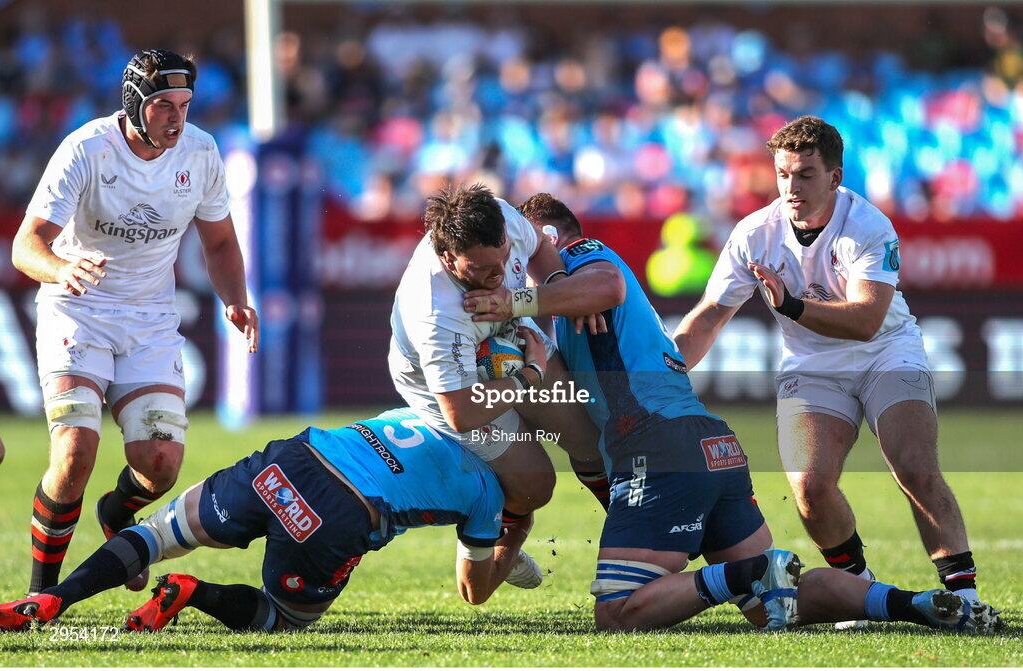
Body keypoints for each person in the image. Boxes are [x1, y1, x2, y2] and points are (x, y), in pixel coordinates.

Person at [462, 193, 1000, 634]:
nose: (513, 268)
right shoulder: (563, 303)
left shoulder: (580, 254)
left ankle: (748, 571)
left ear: (547, 240)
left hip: (659, 444)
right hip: (707, 444)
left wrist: (518, 308)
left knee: (617, 613)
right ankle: (915, 604)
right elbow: (575, 416)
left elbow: (605, 285)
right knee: (767, 605)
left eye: (519, 251)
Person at [670, 116, 993, 614]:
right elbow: (710, 317)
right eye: (782, 174)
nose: (791, 188)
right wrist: (662, 374)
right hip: (812, 360)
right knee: (809, 487)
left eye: (805, 175)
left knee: (914, 466)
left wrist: (792, 304)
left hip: (886, 349)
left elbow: (865, 321)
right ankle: (858, 589)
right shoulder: (754, 232)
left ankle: (964, 594)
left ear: (835, 178)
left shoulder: (867, 225)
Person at [10, 49, 259, 596]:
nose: (177, 117)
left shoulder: (201, 152)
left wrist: (235, 299)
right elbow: (25, 247)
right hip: (78, 309)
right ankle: (41, 595)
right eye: (164, 105)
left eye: (185, 105)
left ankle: (115, 512)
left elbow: (219, 242)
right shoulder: (86, 148)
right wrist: (62, 266)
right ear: (133, 104)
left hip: (149, 319)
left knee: (161, 465)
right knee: (74, 452)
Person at [0, 408, 536, 633]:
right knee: (289, 618)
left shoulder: (424, 408)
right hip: (337, 513)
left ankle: (52, 599)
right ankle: (191, 593)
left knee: (159, 532)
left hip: (294, 459)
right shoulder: (489, 489)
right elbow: (473, 591)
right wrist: (514, 538)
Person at [389, 182, 609, 538]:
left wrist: (563, 289)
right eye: (482, 269)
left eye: (504, 257)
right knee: (535, 486)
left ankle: (627, 530)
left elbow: (539, 247)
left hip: (506, 337)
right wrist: (530, 375)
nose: (500, 274)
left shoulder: (502, 216)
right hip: (448, 387)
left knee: (590, 441)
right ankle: (487, 532)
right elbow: (461, 413)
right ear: (448, 258)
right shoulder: (434, 314)